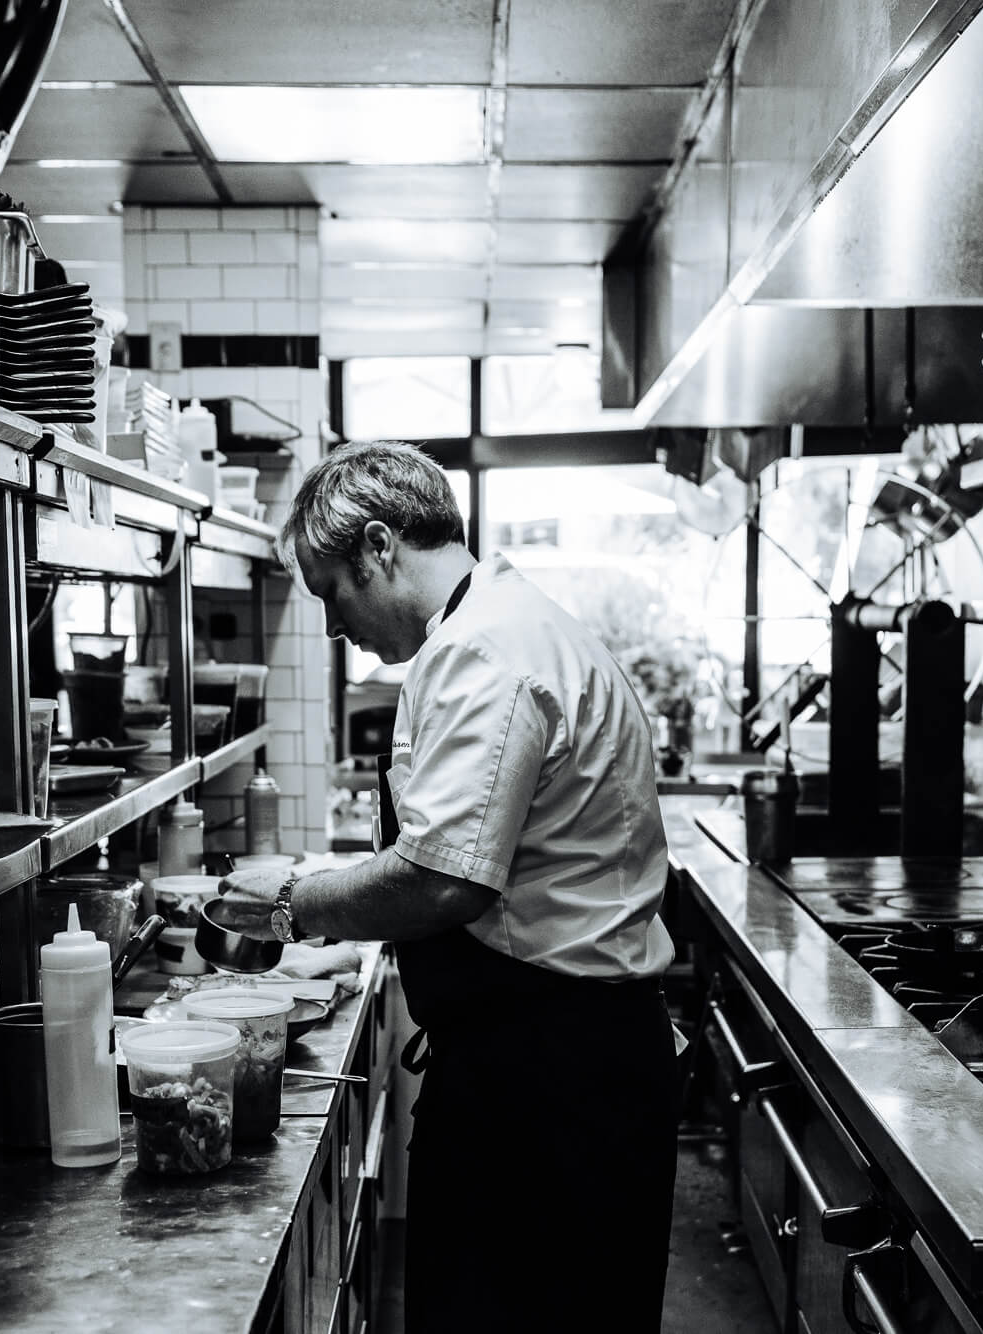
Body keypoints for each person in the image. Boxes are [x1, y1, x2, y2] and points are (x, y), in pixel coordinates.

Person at [219, 440, 680, 1333]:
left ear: (380, 546)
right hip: (553, 1063)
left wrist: (287, 906)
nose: (331, 625)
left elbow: (441, 884)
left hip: (551, 1086)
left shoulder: (486, 650)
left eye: (330, 593)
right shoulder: (501, 625)